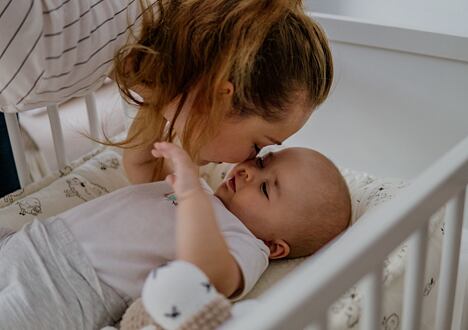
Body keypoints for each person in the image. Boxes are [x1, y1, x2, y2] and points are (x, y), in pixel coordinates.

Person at [0, 142, 351, 329]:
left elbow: (209, 274)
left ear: (276, 247)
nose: (246, 173)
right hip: (32, 241)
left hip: (69, 292)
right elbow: (138, 166)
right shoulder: (197, 185)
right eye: (261, 163)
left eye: (265, 189)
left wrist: (190, 194)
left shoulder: (245, 244)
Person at [0, 0, 333, 196]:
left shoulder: (143, 27)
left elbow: (141, 164)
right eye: (258, 147)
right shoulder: (49, 55)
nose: (244, 164)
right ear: (221, 97)